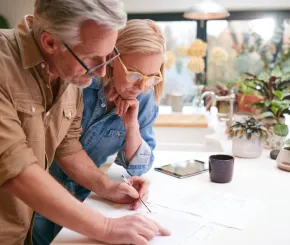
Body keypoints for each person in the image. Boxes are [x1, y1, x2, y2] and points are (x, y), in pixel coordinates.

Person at [0, 1, 170, 245]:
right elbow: (14, 168)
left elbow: (68, 145)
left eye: (108, 56)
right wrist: (107, 227)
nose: (102, 73)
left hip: (25, 229)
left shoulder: (68, 67)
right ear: (50, 43)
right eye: (92, 59)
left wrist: (108, 187)